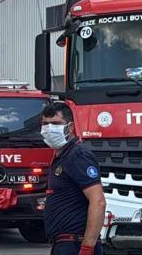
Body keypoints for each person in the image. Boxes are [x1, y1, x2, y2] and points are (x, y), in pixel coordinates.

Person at [42, 103, 106, 255]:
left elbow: (98, 201)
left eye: (56, 124)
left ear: (70, 128)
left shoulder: (77, 156)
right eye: (45, 124)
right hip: (64, 244)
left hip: (75, 245)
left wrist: (87, 248)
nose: (49, 128)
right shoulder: (62, 157)